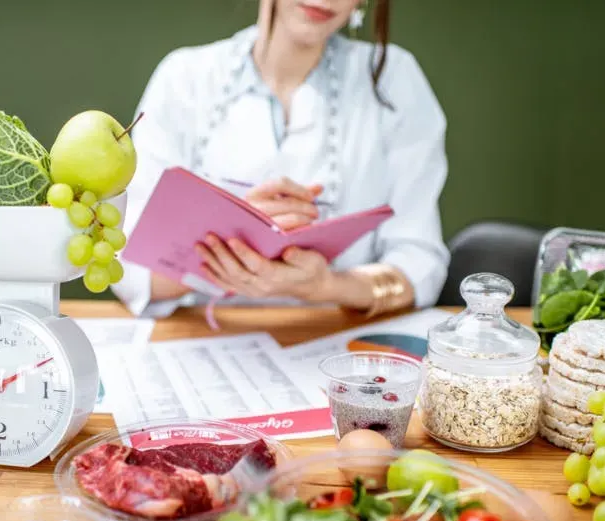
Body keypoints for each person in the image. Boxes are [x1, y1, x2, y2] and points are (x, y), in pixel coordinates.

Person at [112, 0, 450, 319]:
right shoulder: (185, 79)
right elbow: (127, 269)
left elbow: (420, 265)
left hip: (337, 344)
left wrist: (325, 286)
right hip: (208, 343)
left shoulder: (393, 79)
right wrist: (235, 240)